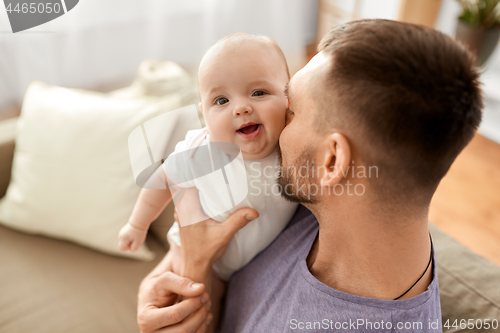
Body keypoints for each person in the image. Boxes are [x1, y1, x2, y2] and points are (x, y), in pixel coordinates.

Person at [136, 19, 483, 333]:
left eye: (292, 110)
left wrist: (195, 268)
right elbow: (201, 238)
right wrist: (173, 275)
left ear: (332, 160)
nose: (277, 121)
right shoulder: (328, 202)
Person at [118, 33, 298, 282]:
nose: (241, 108)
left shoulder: (294, 145)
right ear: (205, 115)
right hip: (191, 253)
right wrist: (137, 225)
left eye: (258, 93)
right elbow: (162, 178)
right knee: (189, 303)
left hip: (252, 265)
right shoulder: (202, 152)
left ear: (289, 98)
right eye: (222, 100)